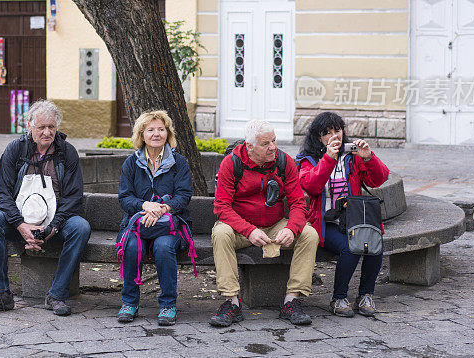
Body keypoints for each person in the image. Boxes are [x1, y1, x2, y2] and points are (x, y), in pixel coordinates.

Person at [0, 100, 91, 317]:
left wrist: (53, 227)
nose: (47, 132)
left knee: (81, 227)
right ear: (29, 127)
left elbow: (74, 197)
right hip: (18, 222)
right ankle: (0, 294)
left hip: (56, 223)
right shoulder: (15, 149)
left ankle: (57, 295)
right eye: (41, 127)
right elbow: (0, 194)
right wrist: (21, 225)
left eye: (51, 127)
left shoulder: (67, 152)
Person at [210, 119, 318, 327]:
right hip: (241, 228)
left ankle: (292, 300)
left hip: (274, 225)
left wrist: (291, 228)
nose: (273, 147)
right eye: (266, 143)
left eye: (274, 141)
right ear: (250, 146)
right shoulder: (231, 163)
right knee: (220, 234)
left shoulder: (284, 161)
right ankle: (231, 302)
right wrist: (249, 230)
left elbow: (298, 202)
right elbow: (221, 207)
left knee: (309, 234)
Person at [297, 111, 389, 318]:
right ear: (318, 137)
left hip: (354, 218)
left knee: (374, 243)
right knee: (351, 248)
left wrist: (368, 158)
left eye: (337, 130)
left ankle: (365, 295)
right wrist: (329, 158)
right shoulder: (308, 160)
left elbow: (379, 179)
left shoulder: (352, 157)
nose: (334, 136)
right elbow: (311, 186)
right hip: (325, 222)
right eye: (327, 133)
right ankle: (338, 298)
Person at [115, 110, 194, 326]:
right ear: (141, 135)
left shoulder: (179, 162)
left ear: (168, 134)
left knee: (163, 247)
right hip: (138, 225)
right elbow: (125, 197)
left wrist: (162, 209)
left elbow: (184, 196)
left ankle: (168, 305)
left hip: (170, 227)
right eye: (150, 130)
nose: (156, 134)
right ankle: (130, 302)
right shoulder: (131, 163)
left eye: (161, 129)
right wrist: (145, 206)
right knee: (131, 245)